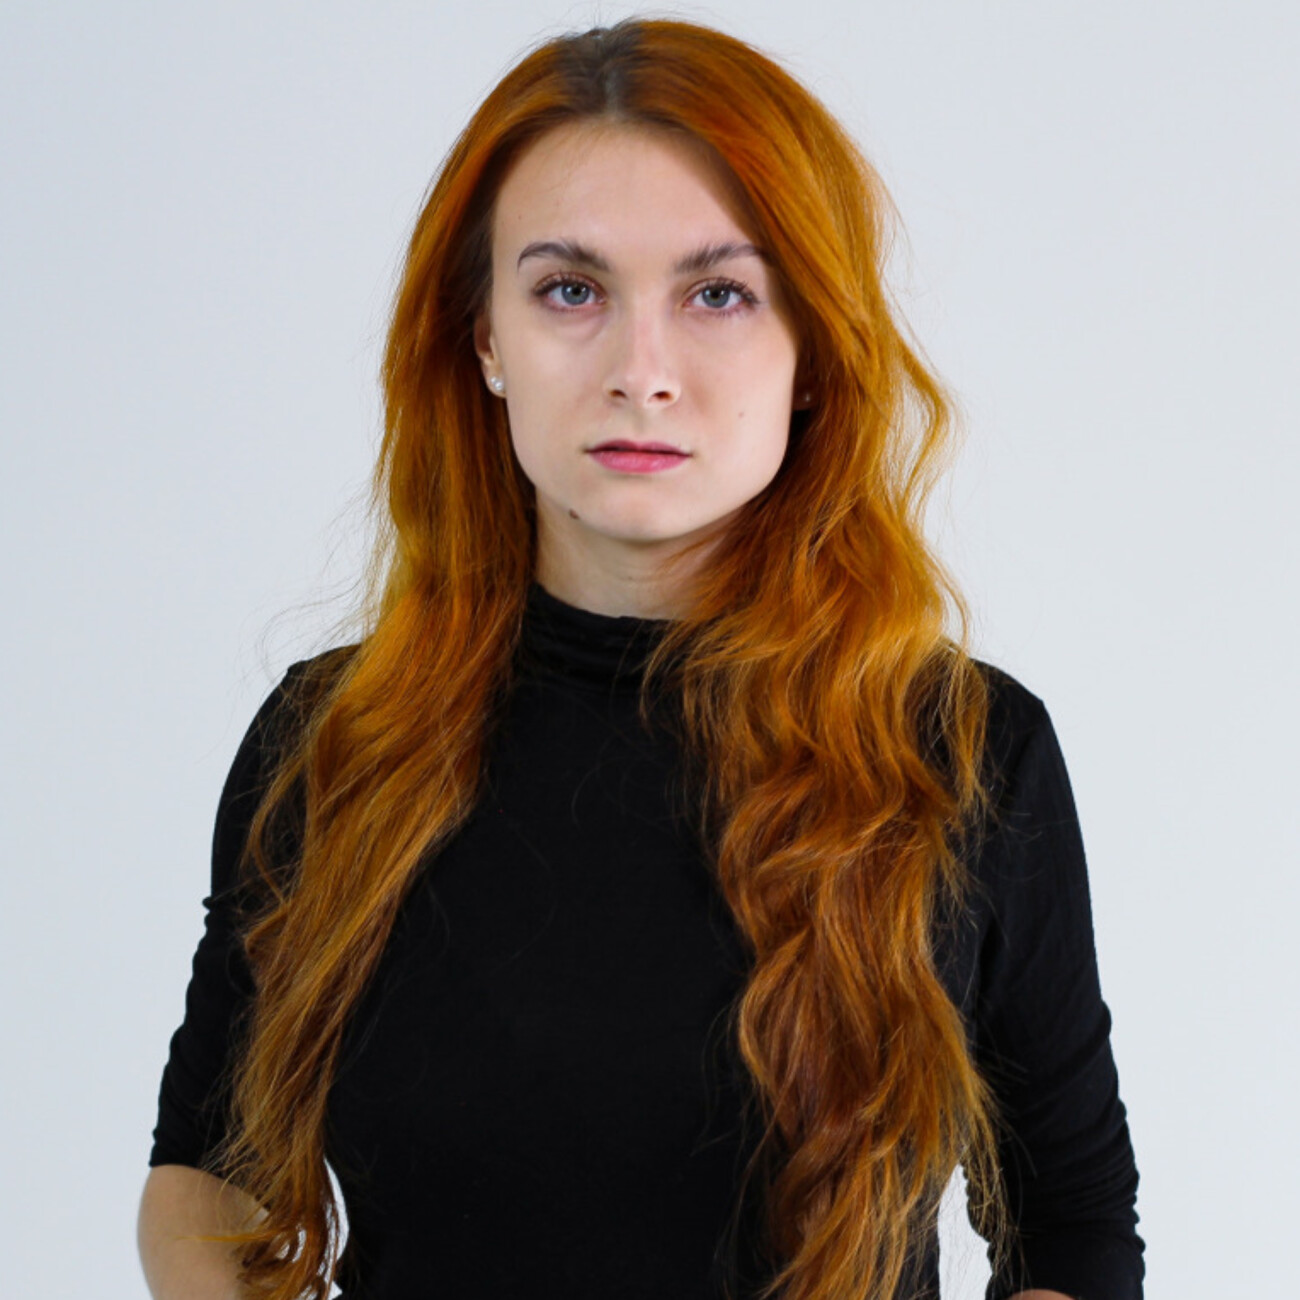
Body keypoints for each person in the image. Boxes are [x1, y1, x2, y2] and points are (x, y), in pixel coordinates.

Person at [137, 17, 1143, 1300]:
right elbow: (205, 1166)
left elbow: (1070, 1223)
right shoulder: (335, 735)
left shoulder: (960, 748)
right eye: (570, 290)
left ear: (810, 350)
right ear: (486, 338)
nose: (640, 372)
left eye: (717, 294)